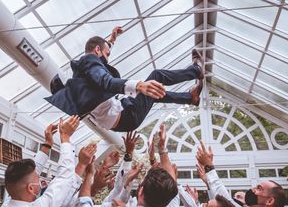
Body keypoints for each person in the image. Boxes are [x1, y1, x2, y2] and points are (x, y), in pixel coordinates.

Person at [45, 26, 204, 132]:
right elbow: (105, 81)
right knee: (156, 76)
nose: (107, 59)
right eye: (107, 54)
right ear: (97, 50)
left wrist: (112, 39)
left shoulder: (82, 73)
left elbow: (101, 57)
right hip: (127, 116)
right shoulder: (89, 62)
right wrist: (138, 85)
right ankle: (196, 70)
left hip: (122, 121)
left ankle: (191, 98)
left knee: (153, 94)